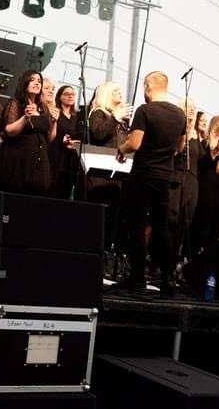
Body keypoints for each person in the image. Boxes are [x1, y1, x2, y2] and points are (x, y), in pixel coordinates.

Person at [116, 71, 187, 292]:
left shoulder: (145, 110)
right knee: (161, 225)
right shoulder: (180, 115)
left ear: (148, 86)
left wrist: (121, 148)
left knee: (137, 225)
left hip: (143, 174)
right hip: (164, 176)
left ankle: (137, 278)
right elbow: (180, 147)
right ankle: (168, 278)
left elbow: (135, 143)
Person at [83, 81, 131, 246]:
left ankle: (107, 250)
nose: (120, 92)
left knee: (113, 219)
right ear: (106, 94)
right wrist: (115, 118)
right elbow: (99, 134)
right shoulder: (98, 113)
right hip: (100, 177)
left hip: (116, 175)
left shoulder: (122, 121)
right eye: (115, 90)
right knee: (98, 217)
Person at [0, 70, 56, 196]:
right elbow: (9, 130)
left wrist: (54, 122)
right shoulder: (16, 103)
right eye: (32, 80)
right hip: (19, 160)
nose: (37, 83)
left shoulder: (43, 108)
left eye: (39, 81)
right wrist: (25, 118)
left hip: (39, 161)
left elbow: (49, 138)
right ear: (25, 83)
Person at [166, 98, 202, 260]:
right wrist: (184, 132)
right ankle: (158, 260)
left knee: (185, 222)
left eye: (195, 107)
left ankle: (173, 261)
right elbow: (174, 151)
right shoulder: (175, 127)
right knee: (171, 219)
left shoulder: (196, 134)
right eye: (189, 107)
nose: (192, 110)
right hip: (176, 178)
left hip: (192, 182)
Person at [190, 114, 219, 253]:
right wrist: (216, 150)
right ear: (216, 125)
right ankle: (191, 253)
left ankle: (206, 253)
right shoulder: (205, 143)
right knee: (201, 220)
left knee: (214, 223)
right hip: (205, 185)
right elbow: (201, 164)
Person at [49, 84, 81, 199]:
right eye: (66, 94)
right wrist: (61, 139)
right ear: (60, 97)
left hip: (71, 159)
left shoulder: (77, 117)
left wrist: (75, 143)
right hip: (57, 156)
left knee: (66, 191)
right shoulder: (56, 113)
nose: (70, 96)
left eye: (72, 94)